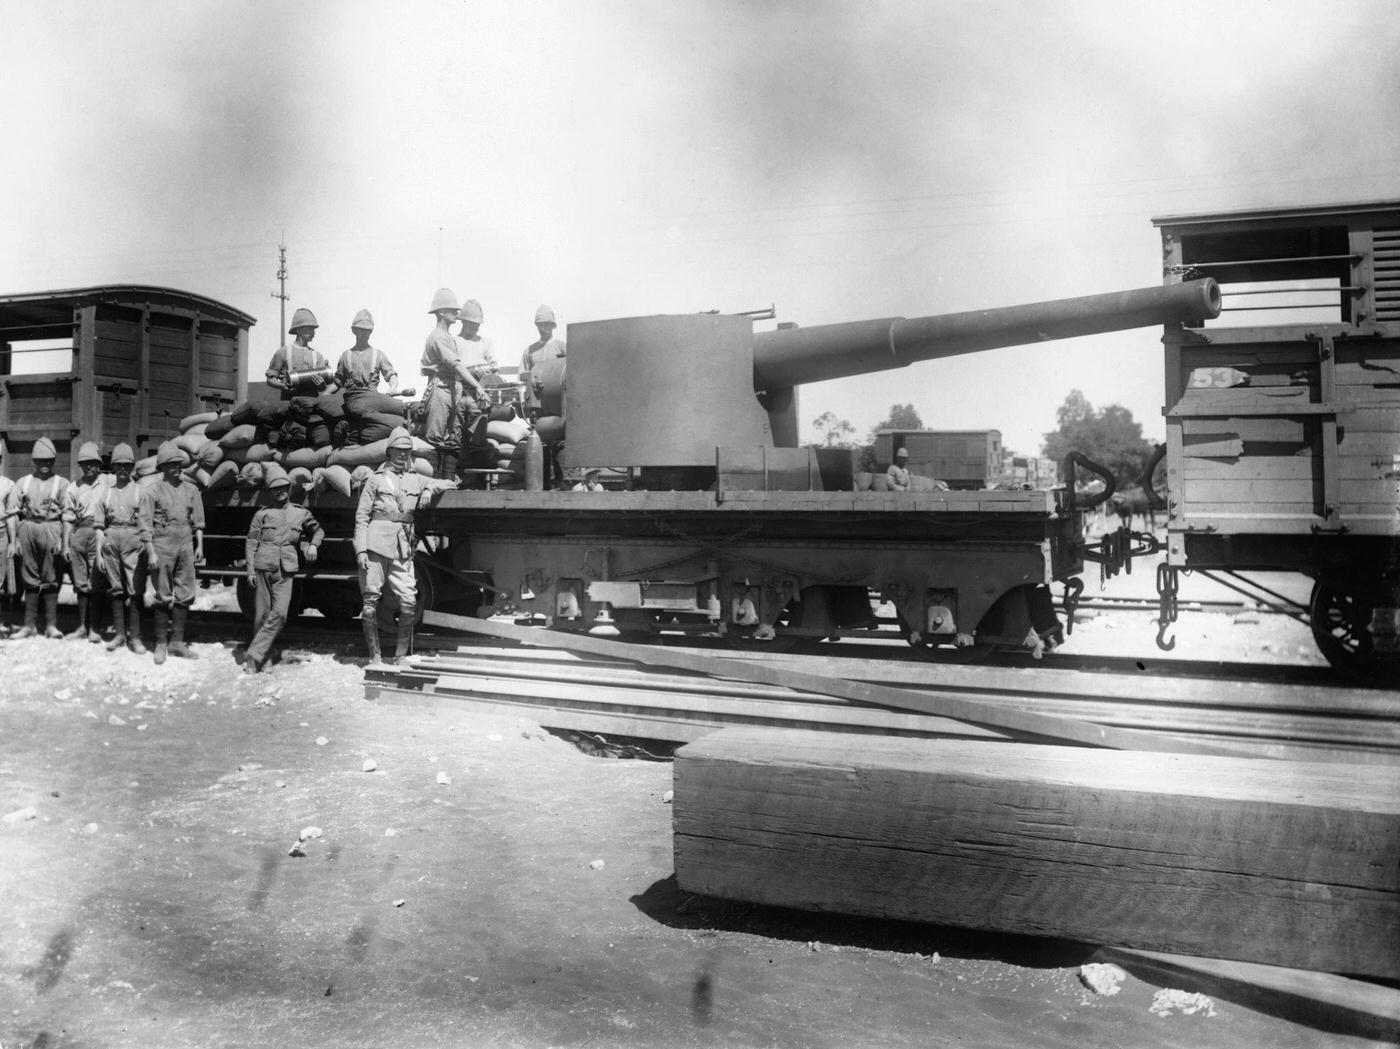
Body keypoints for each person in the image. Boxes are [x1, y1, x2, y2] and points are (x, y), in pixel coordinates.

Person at [353, 426, 454, 665]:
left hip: (403, 548)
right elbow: (361, 517)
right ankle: (375, 657)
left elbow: (448, 484)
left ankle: (400, 656)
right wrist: (361, 550)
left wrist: (429, 488)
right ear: (389, 452)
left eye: (407, 451)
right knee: (370, 601)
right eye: (398, 450)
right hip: (376, 545)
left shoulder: (415, 479)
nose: (402, 455)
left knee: (409, 602)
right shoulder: (375, 480)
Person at [242, 463, 324, 674]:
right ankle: (263, 657)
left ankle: (253, 653)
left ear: (289, 489)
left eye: (283, 488)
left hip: (286, 570)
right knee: (262, 615)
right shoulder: (262, 515)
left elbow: (318, 530)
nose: (279, 491)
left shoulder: (300, 513)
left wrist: (314, 544)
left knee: (280, 614)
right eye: (274, 489)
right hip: (263, 567)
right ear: (270, 492)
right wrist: (250, 570)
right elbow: (251, 542)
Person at [142, 440, 204, 664]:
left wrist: (200, 546)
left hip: (186, 542)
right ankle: (160, 643)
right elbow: (145, 525)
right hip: (162, 543)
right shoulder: (152, 491)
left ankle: (177, 643)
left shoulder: (191, 490)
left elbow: (197, 521)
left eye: (179, 463)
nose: (177, 467)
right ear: (162, 468)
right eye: (171, 464)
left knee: (185, 591)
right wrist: (151, 553)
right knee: (162, 593)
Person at [419, 288, 490, 479]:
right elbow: (455, 365)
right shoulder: (439, 336)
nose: (457, 314)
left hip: (450, 389)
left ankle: (447, 480)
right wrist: (477, 385)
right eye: (453, 310)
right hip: (441, 389)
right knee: (436, 438)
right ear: (441, 312)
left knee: (451, 439)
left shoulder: (446, 336)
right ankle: (433, 483)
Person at [6, 436, 70, 638]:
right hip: (28, 528)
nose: (45, 464)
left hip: (51, 527)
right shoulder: (23, 482)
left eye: (49, 460)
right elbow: (12, 512)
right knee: (29, 575)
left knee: (50, 576)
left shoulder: (62, 483)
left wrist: (62, 540)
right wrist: (14, 540)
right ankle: (29, 625)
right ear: (34, 461)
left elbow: (68, 514)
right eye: (41, 460)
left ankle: (51, 625)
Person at [94, 443, 149, 653]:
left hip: (133, 539)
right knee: (116, 588)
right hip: (111, 540)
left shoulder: (139, 492)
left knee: (135, 589)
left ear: (132, 467)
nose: (123, 469)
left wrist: (145, 545)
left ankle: (135, 637)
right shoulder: (105, 494)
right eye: (119, 465)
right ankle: (119, 635)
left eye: (127, 465)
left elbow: (146, 523)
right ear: (113, 468)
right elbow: (99, 526)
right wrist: (99, 552)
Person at [62, 441, 110, 641]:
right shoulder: (73, 487)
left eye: (92, 462)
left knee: (97, 582)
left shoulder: (109, 482)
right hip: (78, 534)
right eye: (84, 463)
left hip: (99, 534)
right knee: (81, 583)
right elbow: (67, 517)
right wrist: (65, 543)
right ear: (79, 466)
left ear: (99, 464)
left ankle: (95, 629)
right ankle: (82, 626)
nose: (88, 466)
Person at [266, 307, 336, 400]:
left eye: (314, 329)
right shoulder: (283, 352)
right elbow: (270, 379)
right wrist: (282, 386)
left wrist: (321, 385)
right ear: (298, 330)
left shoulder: (317, 356)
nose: (313, 333)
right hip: (289, 403)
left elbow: (323, 388)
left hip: (311, 404)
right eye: (309, 329)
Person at [334, 308, 399, 397]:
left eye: (367, 330)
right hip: (351, 400)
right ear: (354, 330)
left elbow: (392, 376)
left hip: (371, 400)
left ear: (371, 332)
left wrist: (393, 388)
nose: (364, 333)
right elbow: (337, 382)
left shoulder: (378, 355)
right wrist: (325, 394)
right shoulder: (346, 356)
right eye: (361, 329)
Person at [520, 304, 565, 415]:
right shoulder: (529, 351)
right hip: (537, 403)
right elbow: (521, 374)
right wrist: (530, 378)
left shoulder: (562, 348)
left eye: (546, 325)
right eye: (540, 325)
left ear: (552, 326)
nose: (543, 329)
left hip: (558, 403)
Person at [0, 439, 16, 638]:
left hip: (1, 534)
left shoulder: (7, 484)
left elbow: (11, 515)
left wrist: (13, 541)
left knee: (1, 581)